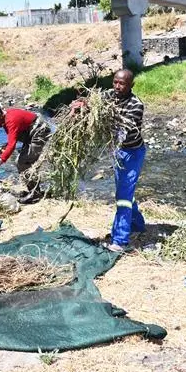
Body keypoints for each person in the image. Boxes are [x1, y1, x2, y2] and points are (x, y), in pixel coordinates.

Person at [71, 69, 147, 252]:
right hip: (118, 152)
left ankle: (120, 240)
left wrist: (98, 116)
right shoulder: (110, 95)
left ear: (131, 86)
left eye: (122, 84)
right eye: (115, 82)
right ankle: (137, 225)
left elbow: (123, 127)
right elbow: (93, 102)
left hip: (132, 153)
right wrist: (82, 104)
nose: (117, 87)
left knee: (123, 197)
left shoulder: (136, 105)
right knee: (125, 191)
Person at [0, 104, 51, 204]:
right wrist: (6, 147)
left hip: (39, 132)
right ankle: (34, 190)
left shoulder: (10, 120)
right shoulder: (5, 119)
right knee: (21, 160)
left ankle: (35, 194)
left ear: (0, 115)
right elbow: (13, 138)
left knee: (22, 162)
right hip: (30, 132)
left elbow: (12, 146)